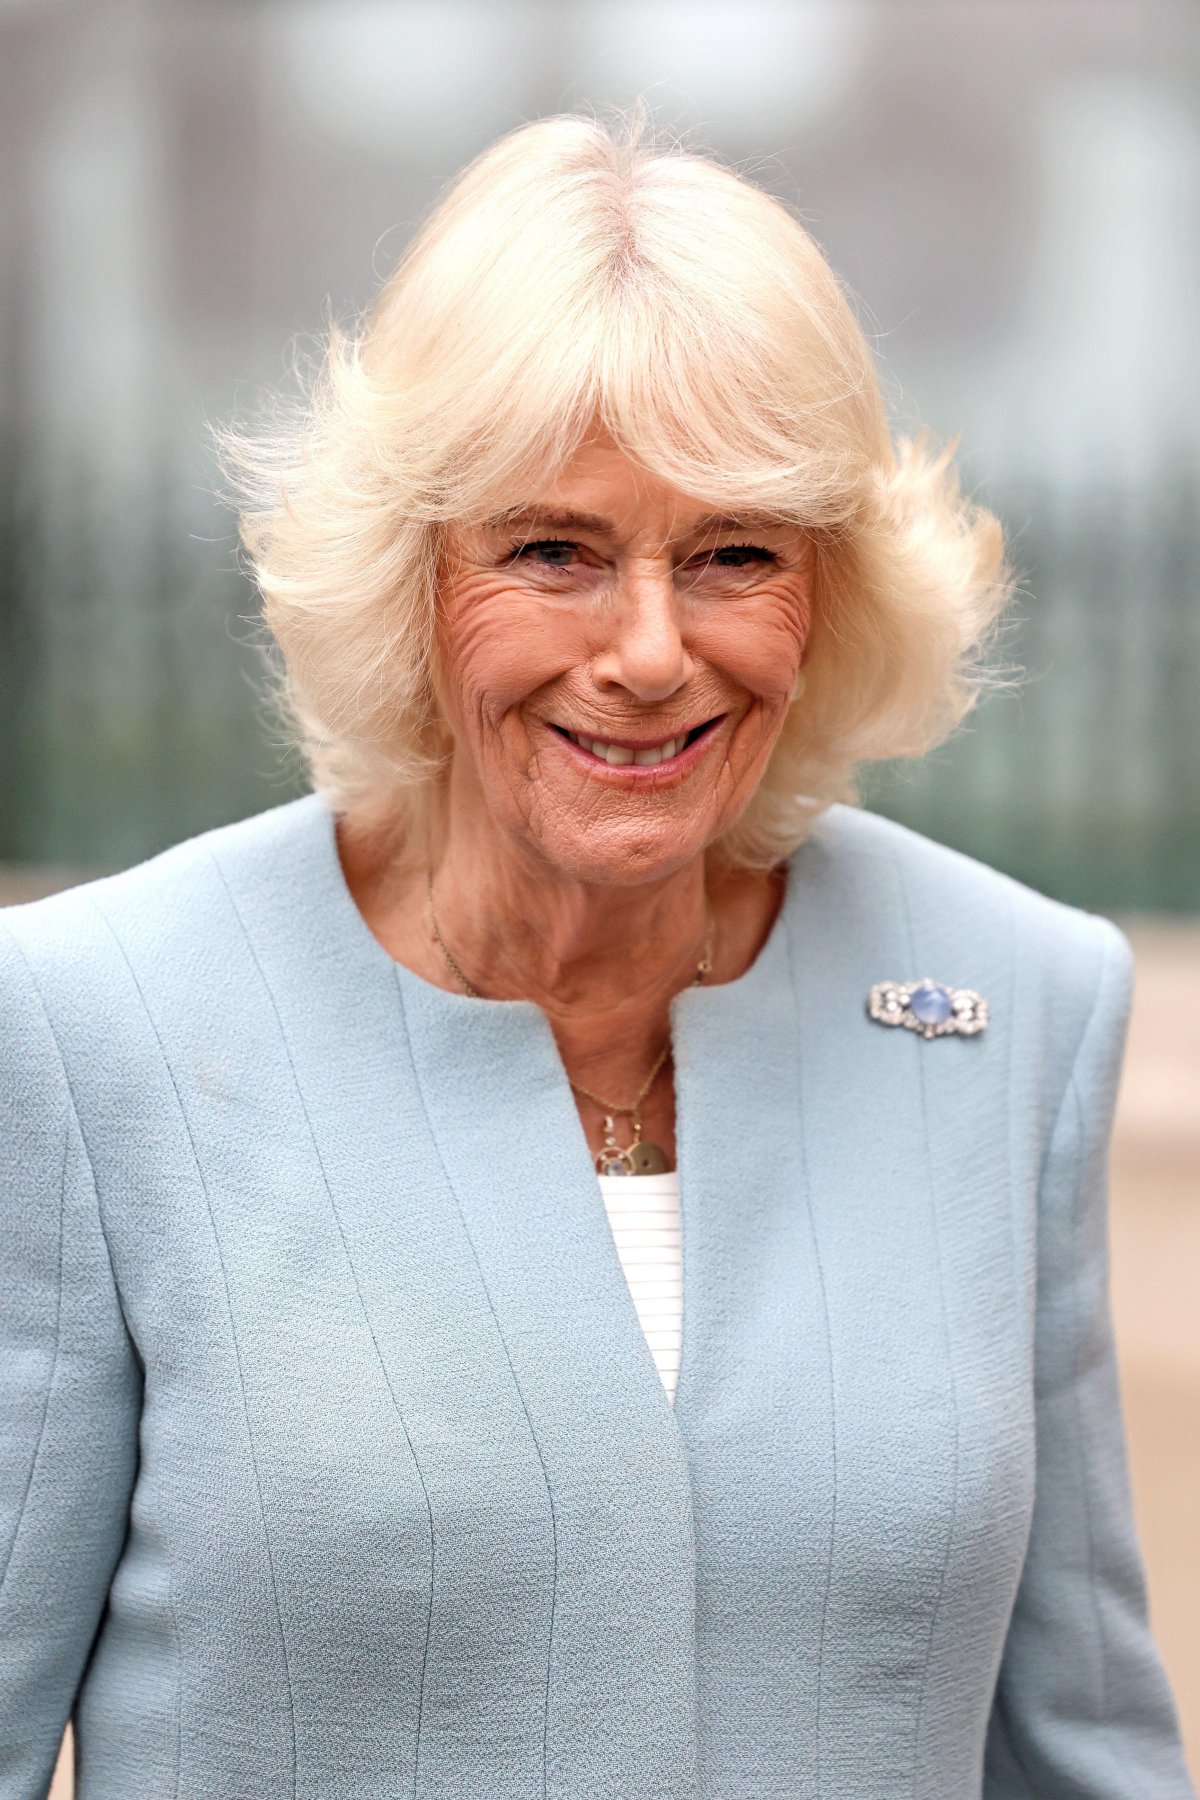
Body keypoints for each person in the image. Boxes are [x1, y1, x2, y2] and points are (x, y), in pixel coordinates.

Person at [0, 113, 1193, 1800]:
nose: (649, 650)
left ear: (830, 593)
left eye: (734, 555)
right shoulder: (92, 1026)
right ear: (412, 573)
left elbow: (1083, 1755)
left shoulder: (1013, 1007)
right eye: (553, 549)